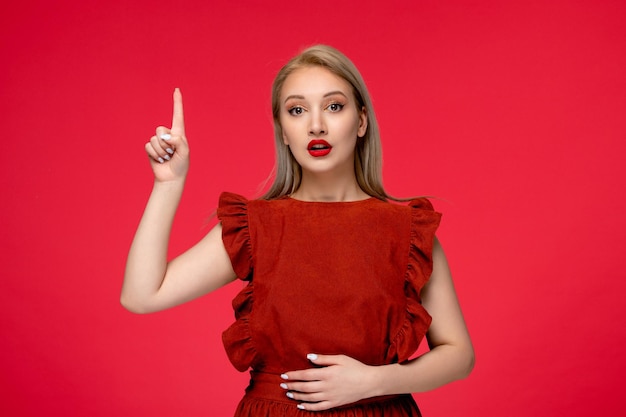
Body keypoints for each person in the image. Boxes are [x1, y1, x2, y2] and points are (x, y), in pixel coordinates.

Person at [122, 45, 474, 416]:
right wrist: (168, 184)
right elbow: (142, 295)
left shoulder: (408, 232)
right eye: (297, 110)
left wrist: (375, 381)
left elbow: (459, 355)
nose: (316, 125)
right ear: (284, 132)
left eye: (334, 106)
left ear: (361, 121)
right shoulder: (256, 227)